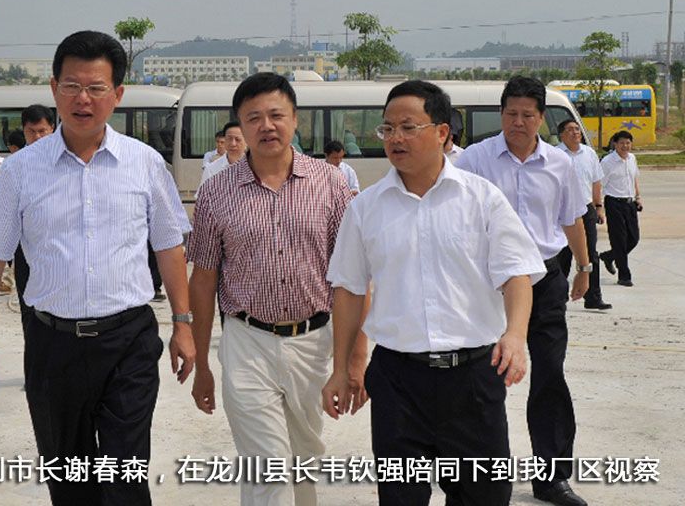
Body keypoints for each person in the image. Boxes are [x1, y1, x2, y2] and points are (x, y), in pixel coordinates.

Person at [0, 30, 195, 506]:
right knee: (70, 482)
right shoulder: (22, 170)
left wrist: (184, 324)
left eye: (95, 88)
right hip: (53, 346)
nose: (82, 99)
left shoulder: (144, 163)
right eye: (71, 86)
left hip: (128, 341)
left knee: (125, 477)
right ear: (54, 89)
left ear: (117, 94)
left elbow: (169, 246)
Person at [324, 80, 544, 506]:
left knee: (484, 497)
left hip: (472, 380)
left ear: (442, 132)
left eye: (408, 127)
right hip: (398, 382)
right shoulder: (365, 208)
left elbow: (516, 274)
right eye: (387, 129)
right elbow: (348, 290)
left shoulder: (481, 198)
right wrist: (343, 368)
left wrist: (515, 336)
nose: (395, 138)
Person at [188, 73, 359, 506]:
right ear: (239, 127)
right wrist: (203, 362)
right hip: (247, 341)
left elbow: (351, 277)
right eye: (254, 118)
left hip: (313, 341)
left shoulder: (330, 183)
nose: (267, 126)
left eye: (276, 115)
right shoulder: (216, 192)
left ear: (295, 119)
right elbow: (203, 279)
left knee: (304, 459)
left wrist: (353, 361)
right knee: (267, 466)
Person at [455, 76, 591, 506]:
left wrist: (584, 266)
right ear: (501, 114)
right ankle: (477, 475)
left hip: (545, 279)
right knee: (480, 379)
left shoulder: (560, 164)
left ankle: (552, 478)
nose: (518, 122)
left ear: (541, 118)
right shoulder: (474, 160)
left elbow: (571, 218)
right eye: (511, 114)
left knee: (550, 375)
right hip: (488, 283)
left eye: (527, 115)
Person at [557, 119, 611, 309]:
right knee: (562, 255)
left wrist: (598, 206)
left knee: (590, 254)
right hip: (562, 211)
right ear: (561, 135)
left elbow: (596, 181)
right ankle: (558, 298)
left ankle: (593, 297)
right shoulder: (555, 155)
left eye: (577, 129)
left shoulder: (589, 154)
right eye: (570, 129)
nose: (575, 132)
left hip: (586, 208)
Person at [12, 104, 56, 319]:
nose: (37, 137)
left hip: (56, 245)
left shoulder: (66, 161)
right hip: (26, 246)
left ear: (52, 129)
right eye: (31, 132)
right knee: (29, 309)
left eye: (42, 131)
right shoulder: (15, 166)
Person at [599, 130, 642, 288]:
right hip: (614, 203)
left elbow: (634, 178)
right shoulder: (607, 162)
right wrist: (599, 207)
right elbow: (599, 185)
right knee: (619, 240)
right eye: (622, 143)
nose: (625, 146)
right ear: (615, 144)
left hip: (629, 203)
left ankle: (609, 256)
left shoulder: (632, 158)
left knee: (634, 238)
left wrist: (638, 197)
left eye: (628, 143)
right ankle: (624, 276)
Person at [199, 121, 246, 185]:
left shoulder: (256, 168)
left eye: (238, 139)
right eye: (229, 139)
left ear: (247, 141)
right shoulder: (211, 169)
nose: (233, 144)